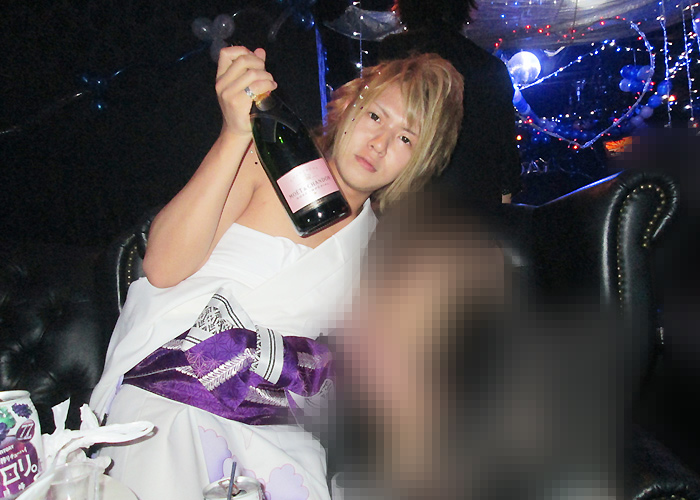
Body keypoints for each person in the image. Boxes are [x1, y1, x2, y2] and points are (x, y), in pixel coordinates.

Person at [88, 47, 464, 500]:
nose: (379, 144)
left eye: (406, 139)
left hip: (267, 422)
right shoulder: (262, 160)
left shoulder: (379, 247)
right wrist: (233, 134)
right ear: (349, 104)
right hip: (170, 383)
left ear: (421, 160)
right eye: (376, 116)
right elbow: (162, 269)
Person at [379, 0, 521, 207]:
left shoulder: (394, 53)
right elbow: (506, 156)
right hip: (474, 203)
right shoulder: (491, 67)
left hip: (410, 199)